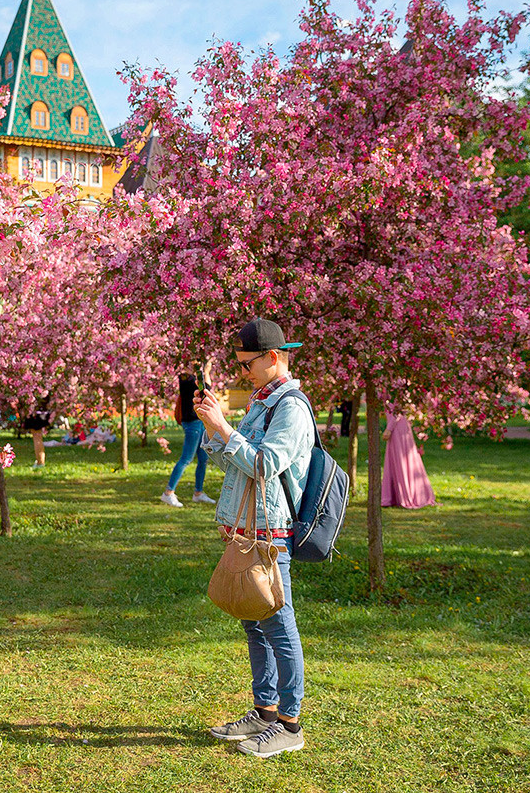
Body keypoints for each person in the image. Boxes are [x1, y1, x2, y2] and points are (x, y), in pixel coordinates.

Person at [195, 318, 315, 758]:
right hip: (247, 528)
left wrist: (226, 430)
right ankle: (264, 712)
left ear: (273, 357)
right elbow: (237, 464)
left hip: (271, 532)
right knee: (254, 622)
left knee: (279, 626)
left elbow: (266, 464)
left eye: (248, 363)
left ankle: (290, 723)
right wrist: (214, 428)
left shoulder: (291, 407)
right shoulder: (262, 402)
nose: (243, 372)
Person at [160, 372, 215, 508]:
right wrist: (206, 371)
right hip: (192, 423)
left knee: (203, 459)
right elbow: (205, 389)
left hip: (200, 422)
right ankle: (168, 493)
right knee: (186, 459)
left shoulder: (193, 377)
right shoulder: (185, 378)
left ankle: (198, 493)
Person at [381, 411, 437, 509]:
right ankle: (394, 496)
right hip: (397, 426)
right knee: (395, 460)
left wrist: (389, 429)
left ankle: (408, 495)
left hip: (398, 427)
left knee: (402, 460)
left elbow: (397, 410)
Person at [21, 397, 53, 468]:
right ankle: (40, 460)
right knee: (38, 437)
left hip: (36, 413)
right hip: (42, 411)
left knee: (37, 437)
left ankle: (40, 462)